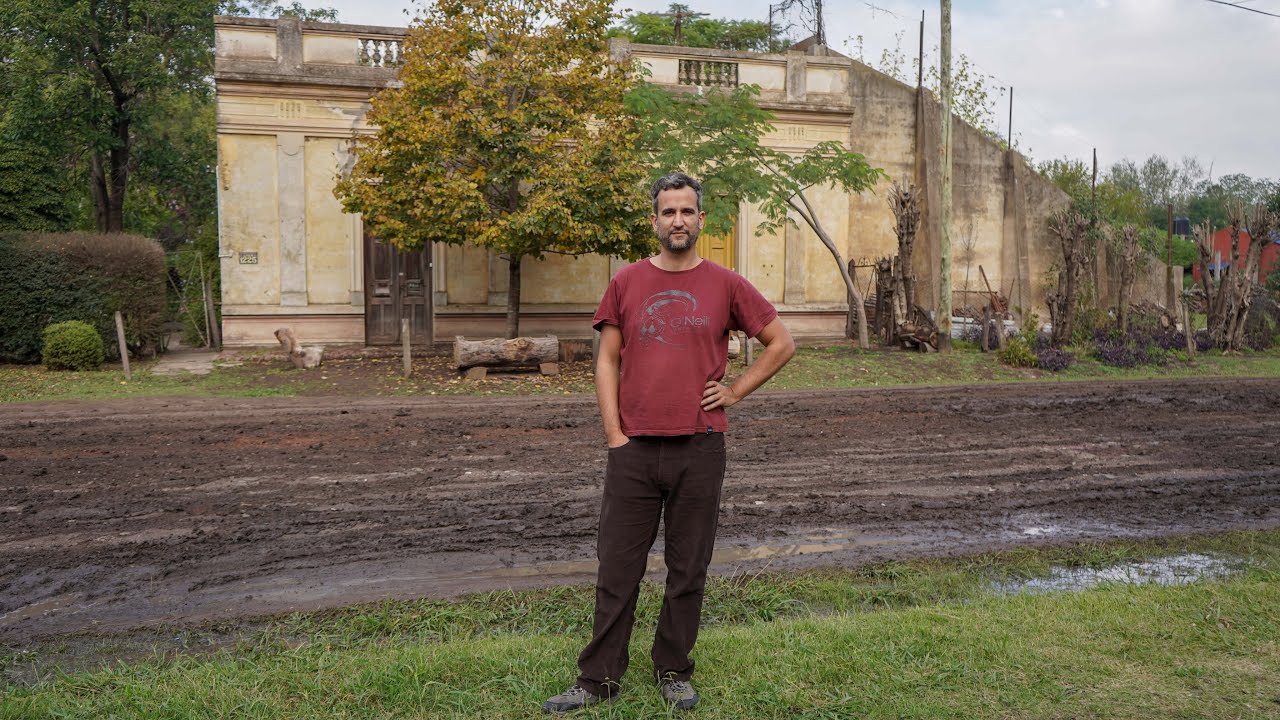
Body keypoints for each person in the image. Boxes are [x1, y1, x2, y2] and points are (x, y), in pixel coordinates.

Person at [543, 172, 795, 713]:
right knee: (617, 569)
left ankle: (674, 670)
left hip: (700, 447)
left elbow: (781, 343)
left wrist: (734, 391)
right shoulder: (627, 281)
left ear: (702, 220)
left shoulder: (726, 284)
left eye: (686, 211)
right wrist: (614, 433)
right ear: (653, 220)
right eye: (667, 212)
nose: (677, 220)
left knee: (688, 568)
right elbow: (607, 359)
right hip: (633, 448)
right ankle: (598, 680)